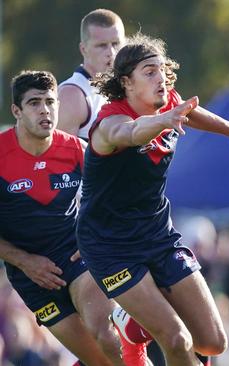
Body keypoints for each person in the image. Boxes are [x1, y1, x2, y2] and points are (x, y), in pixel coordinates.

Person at [76, 33, 229, 366]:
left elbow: (194, 114)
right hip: (109, 246)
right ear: (126, 82)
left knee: (214, 343)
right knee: (176, 339)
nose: (161, 79)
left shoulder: (168, 102)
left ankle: (131, 324)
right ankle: (136, 326)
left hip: (157, 235)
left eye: (161, 70)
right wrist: (163, 120)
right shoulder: (110, 122)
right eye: (149, 72)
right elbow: (130, 133)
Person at [0, 70, 138, 365]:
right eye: (34, 103)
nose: (44, 110)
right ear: (16, 111)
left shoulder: (77, 150)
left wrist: (96, 239)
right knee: (98, 361)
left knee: (109, 339)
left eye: (50, 102)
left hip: (77, 257)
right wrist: (25, 261)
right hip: (28, 275)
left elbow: (117, 198)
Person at [58, 8, 125, 140]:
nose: (111, 52)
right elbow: (61, 156)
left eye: (116, 44)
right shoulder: (72, 94)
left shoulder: (125, 87)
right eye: (102, 45)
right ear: (84, 49)